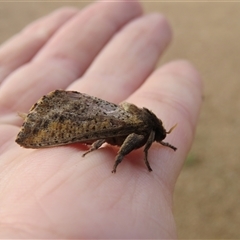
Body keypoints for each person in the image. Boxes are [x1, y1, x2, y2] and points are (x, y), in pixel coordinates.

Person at [0, 1, 202, 238]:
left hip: (103, 112)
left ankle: (42, 120)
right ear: (152, 132)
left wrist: (147, 145)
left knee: (91, 125)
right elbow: (128, 136)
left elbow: (128, 115)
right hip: (101, 120)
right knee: (82, 129)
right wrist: (124, 158)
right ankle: (39, 125)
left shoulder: (142, 124)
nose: (152, 141)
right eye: (156, 138)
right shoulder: (141, 128)